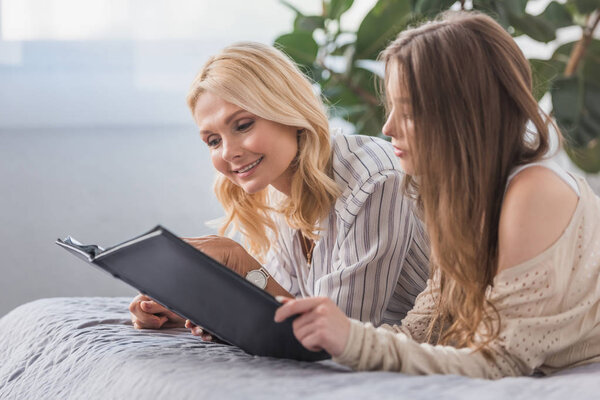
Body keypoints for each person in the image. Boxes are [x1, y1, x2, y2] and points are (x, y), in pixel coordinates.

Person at [274, 11, 600, 379]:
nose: (388, 126)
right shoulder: (462, 197)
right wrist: (314, 335)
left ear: (466, 114)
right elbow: (424, 330)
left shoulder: (534, 192)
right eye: (391, 107)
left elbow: (502, 362)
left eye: (409, 112)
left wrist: (353, 340)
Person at [129, 42, 430, 339]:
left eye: (243, 125)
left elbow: (339, 331)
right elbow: (283, 297)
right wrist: (194, 304)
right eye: (213, 141)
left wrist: (238, 258)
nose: (229, 152)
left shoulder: (375, 180)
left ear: (287, 110)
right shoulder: (277, 184)